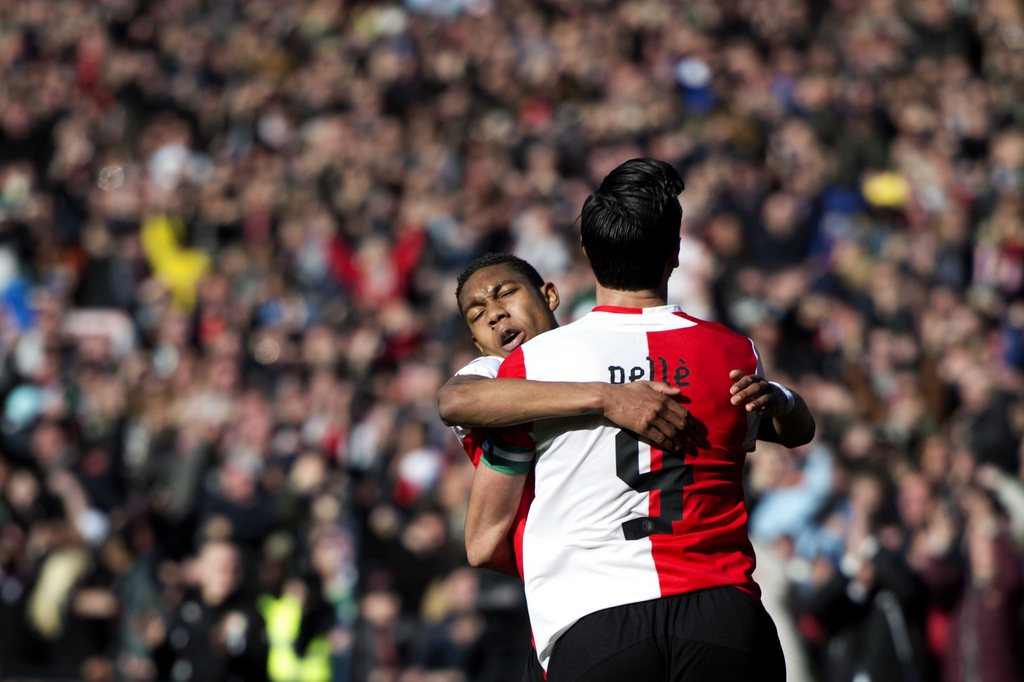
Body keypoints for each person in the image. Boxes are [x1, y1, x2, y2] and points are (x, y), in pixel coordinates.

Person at [464, 158, 815, 680]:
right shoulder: (731, 353)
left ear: (588, 255)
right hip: (722, 616)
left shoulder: (531, 369)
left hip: (597, 622)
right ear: (675, 255)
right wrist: (783, 400)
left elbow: (483, 540)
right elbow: (796, 430)